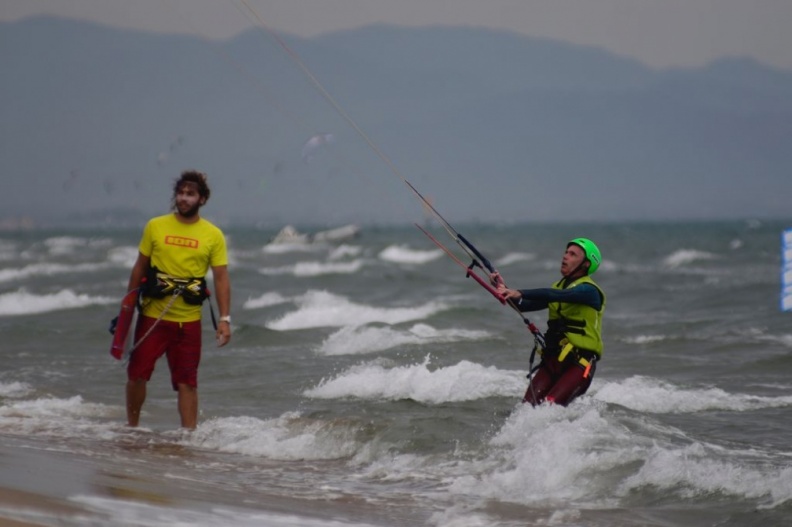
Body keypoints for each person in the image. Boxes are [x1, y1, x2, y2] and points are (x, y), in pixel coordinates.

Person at [123, 170, 231, 429]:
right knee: (137, 376)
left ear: (202, 199)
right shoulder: (155, 226)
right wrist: (127, 308)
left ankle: (188, 440)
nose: (183, 198)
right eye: (180, 193)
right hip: (152, 316)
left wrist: (225, 319)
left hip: (188, 322)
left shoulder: (213, 235)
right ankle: (132, 430)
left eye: (190, 194)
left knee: (187, 383)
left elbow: (220, 278)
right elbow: (139, 268)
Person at [493, 238, 605, 406]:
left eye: (573, 254)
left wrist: (519, 292)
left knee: (550, 406)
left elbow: (555, 295)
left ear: (586, 264)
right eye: (566, 252)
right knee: (525, 408)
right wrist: (502, 288)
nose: (565, 257)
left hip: (578, 365)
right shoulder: (558, 287)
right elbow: (523, 306)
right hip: (552, 361)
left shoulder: (589, 291)